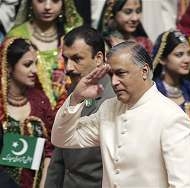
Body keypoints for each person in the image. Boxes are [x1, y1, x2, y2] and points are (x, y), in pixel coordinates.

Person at [51, 41, 190, 188]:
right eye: (111, 74)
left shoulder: (171, 116)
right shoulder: (109, 108)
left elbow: (183, 184)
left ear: (144, 71)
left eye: (120, 73)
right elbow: (61, 139)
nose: (114, 82)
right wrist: (76, 97)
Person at [45, 26, 115, 188]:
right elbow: (59, 156)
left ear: (98, 58)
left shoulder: (113, 100)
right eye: (66, 59)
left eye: (77, 59)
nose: (68, 67)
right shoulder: (74, 90)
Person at [7, 0, 83, 108]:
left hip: (72, 109)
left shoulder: (74, 35)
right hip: (29, 109)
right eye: (40, 0)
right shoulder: (16, 37)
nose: (47, 6)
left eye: (55, 0)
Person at [0, 37, 54, 188]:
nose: (35, 70)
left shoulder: (40, 101)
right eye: (27, 64)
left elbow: (50, 149)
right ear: (9, 67)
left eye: (35, 63)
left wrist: (44, 184)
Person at [152, 29, 190, 140]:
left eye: (188, 54)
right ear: (162, 59)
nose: (187, 60)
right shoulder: (152, 92)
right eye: (179, 55)